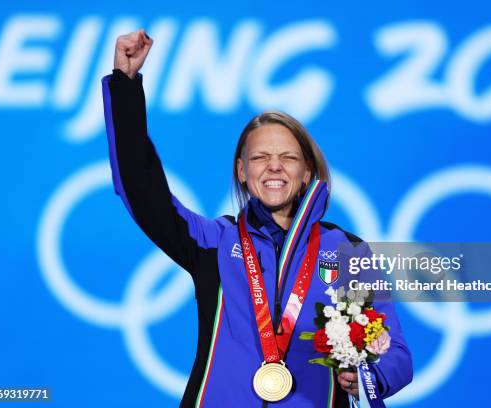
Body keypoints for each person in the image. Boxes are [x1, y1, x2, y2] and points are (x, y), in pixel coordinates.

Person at [102, 29, 412, 407]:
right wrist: (126, 86)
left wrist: (368, 375)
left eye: (289, 157)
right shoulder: (215, 242)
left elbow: (396, 353)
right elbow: (140, 186)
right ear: (242, 171)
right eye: (260, 158)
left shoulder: (346, 250)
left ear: (307, 173)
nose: (275, 167)